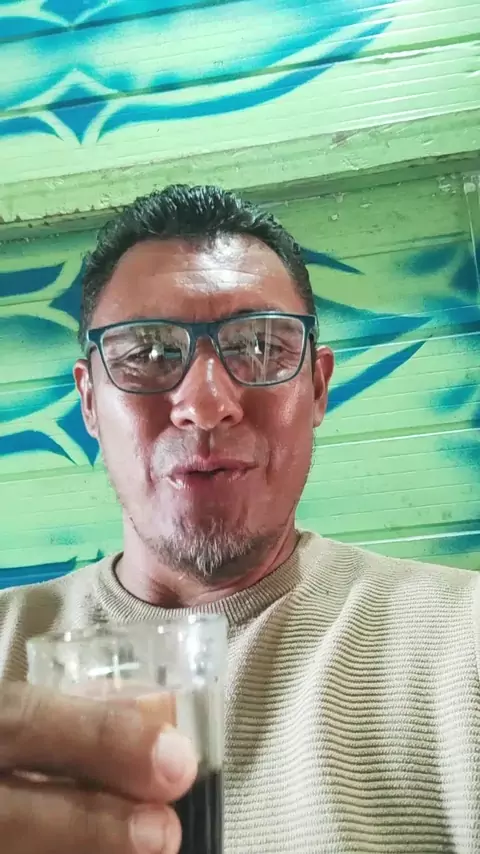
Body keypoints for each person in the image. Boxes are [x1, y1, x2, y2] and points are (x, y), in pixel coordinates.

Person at [0, 184, 479, 854]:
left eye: (259, 346)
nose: (205, 404)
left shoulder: (463, 643)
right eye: (148, 352)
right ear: (88, 402)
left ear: (317, 387)